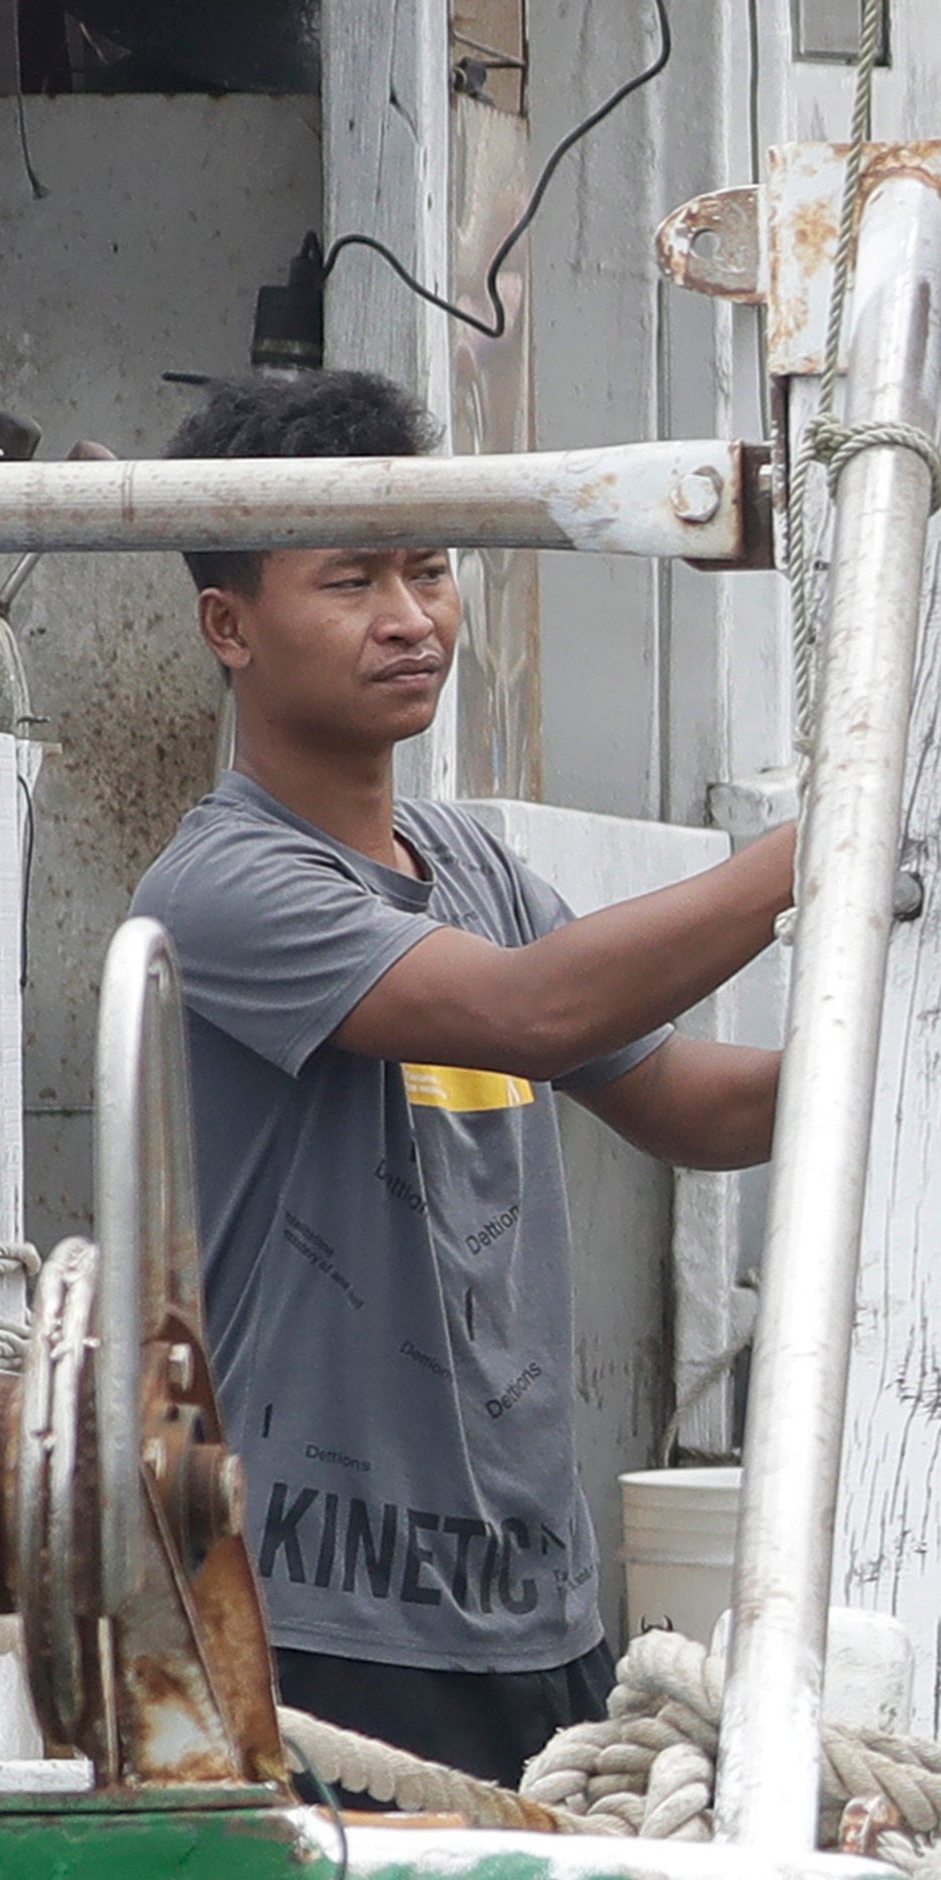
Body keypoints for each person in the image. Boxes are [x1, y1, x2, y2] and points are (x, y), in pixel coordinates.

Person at [124, 368, 797, 1781]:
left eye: (432, 569)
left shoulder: (471, 866)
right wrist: (812, 857)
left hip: (534, 1619)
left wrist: (907, 1062)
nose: (411, 618)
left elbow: (683, 1103)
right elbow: (530, 1013)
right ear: (227, 627)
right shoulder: (222, 886)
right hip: (319, 1627)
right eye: (354, 580)